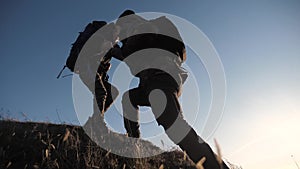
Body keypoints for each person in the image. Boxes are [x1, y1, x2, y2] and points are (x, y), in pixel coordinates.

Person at [115, 10, 229, 169]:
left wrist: (118, 47)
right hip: (151, 83)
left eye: (122, 28)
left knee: (176, 128)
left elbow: (131, 51)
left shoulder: (141, 28)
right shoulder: (140, 33)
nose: (121, 33)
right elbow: (133, 61)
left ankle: (216, 167)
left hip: (161, 79)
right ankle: (135, 145)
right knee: (129, 98)